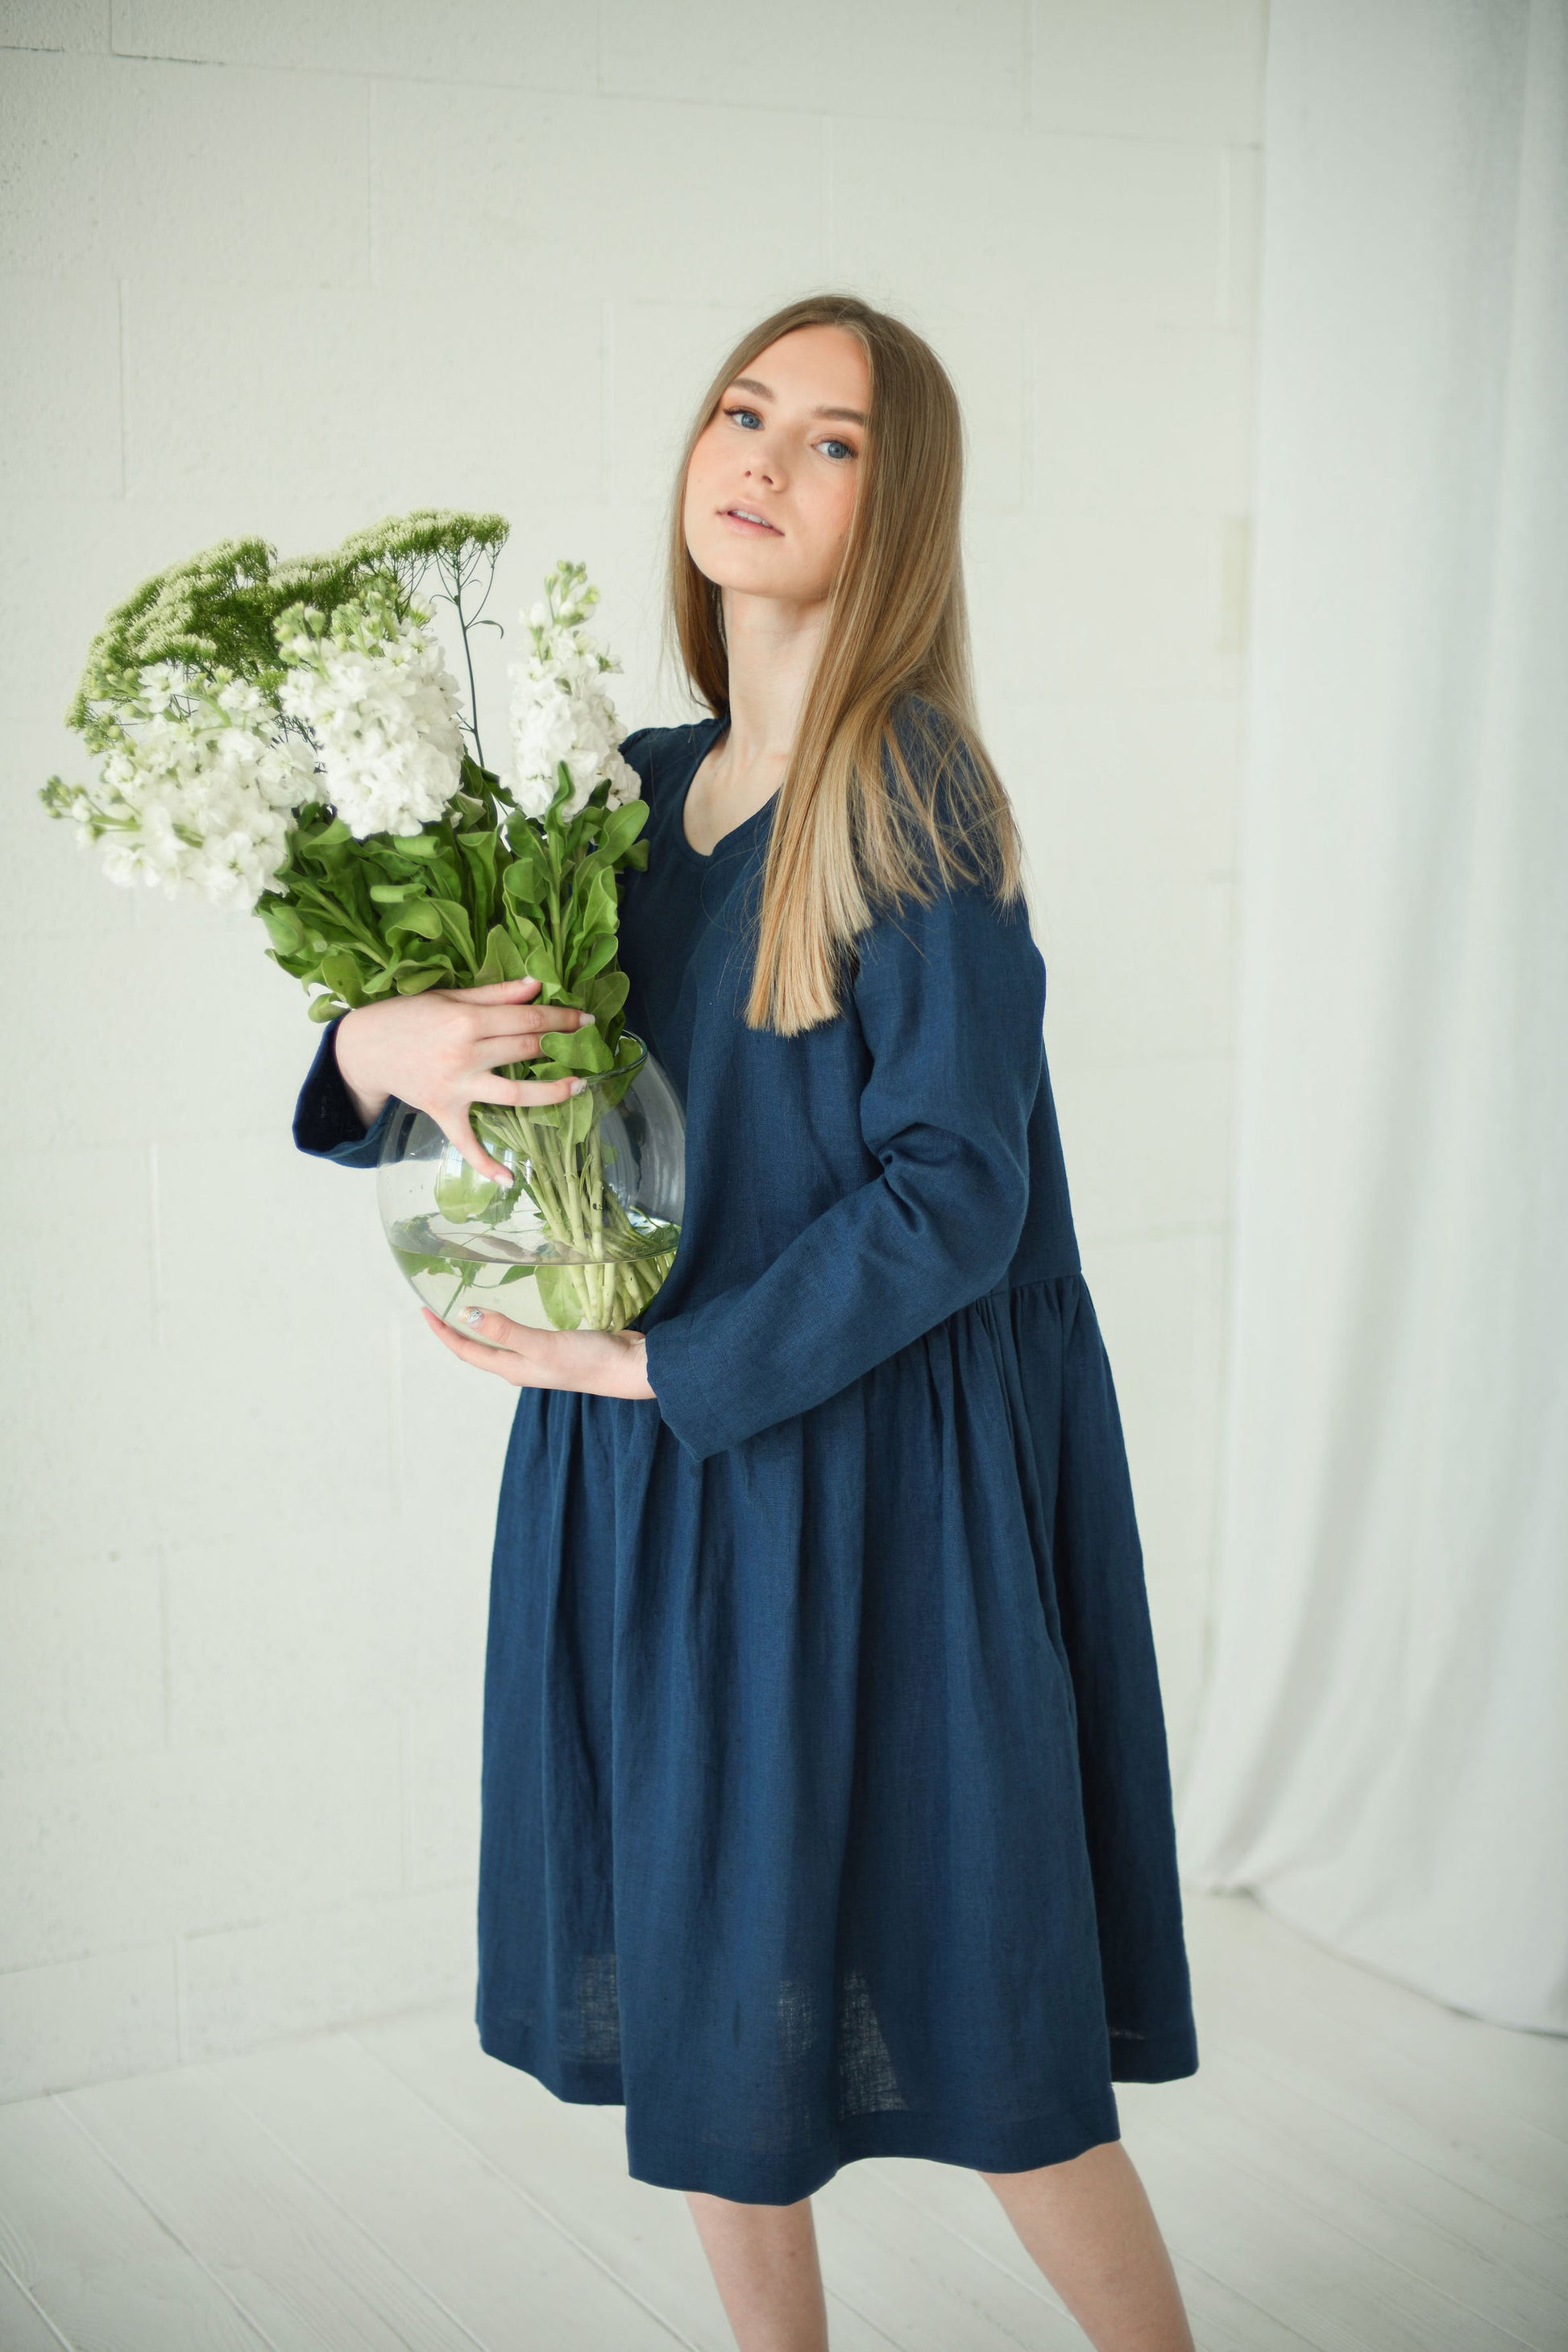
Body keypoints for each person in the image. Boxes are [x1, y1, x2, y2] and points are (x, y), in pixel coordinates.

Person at [293, 292, 1199, 2352]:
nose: (765, 459)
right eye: (741, 410)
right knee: (712, 1994)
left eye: (833, 440)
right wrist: (376, 1041)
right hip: (653, 1491)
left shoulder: (915, 798)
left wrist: (660, 1361)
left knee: (982, 2011)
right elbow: (459, 1073)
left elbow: (958, 1194)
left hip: (867, 1486)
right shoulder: (613, 796)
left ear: (899, 513)